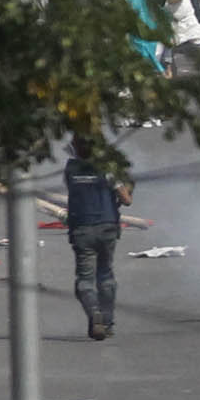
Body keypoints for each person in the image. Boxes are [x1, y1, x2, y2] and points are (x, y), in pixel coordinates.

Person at [59, 137, 131, 341]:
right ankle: (107, 322)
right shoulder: (108, 168)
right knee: (106, 274)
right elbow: (126, 199)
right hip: (107, 226)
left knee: (85, 280)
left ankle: (94, 313)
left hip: (82, 228)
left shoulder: (70, 169)